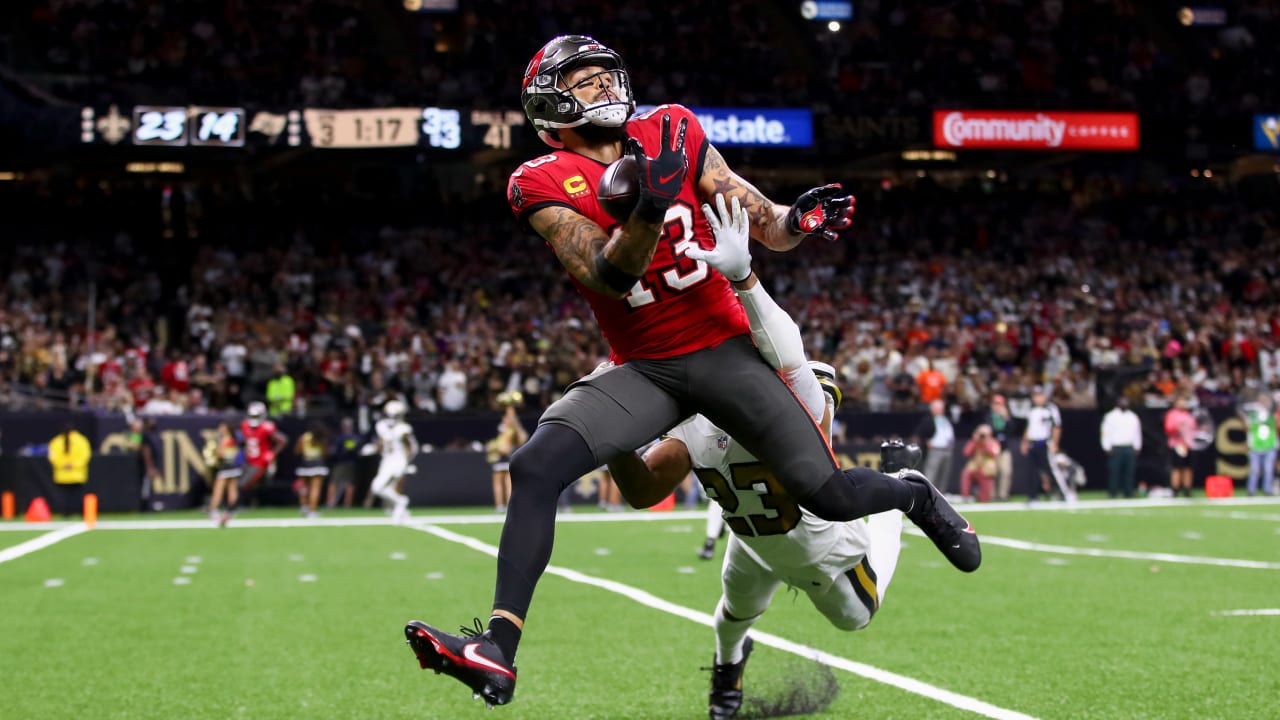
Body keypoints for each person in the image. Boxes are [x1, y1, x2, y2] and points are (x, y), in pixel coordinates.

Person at [404, 42, 977, 704]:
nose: (600, 89)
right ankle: (498, 648)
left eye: (603, 77)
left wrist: (799, 219)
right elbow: (608, 275)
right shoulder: (538, 179)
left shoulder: (671, 126)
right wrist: (650, 201)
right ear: (549, 105)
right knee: (535, 464)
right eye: (582, 83)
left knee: (829, 496)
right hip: (645, 366)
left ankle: (913, 496)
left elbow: (760, 221)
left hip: (724, 352)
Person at [595, 203, 916, 720]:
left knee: (857, 618)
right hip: (750, 537)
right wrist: (611, 437)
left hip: (818, 538)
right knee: (731, 617)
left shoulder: (793, 390)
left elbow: (803, 379)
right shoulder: (693, 414)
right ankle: (727, 676)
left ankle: (898, 494)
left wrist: (744, 277)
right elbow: (644, 489)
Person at [234, 401, 288, 517]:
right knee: (243, 484)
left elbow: (283, 440)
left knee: (244, 484)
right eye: (252, 416)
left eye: (256, 416)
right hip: (248, 460)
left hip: (260, 462)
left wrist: (272, 453)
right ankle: (244, 505)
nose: (253, 418)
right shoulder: (245, 425)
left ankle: (241, 506)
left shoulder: (266, 427)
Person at [370, 399, 419, 525]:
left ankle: (400, 510)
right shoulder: (381, 426)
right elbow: (381, 443)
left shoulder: (403, 428)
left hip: (399, 459)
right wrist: (374, 448)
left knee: (393, 486)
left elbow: (411, 447)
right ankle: (400, 503)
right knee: (377, 487)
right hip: (387, 459)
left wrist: (407, 461)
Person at [486, 391, 529, 513]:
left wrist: (511, 411)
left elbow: (522, 438)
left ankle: (506, 505)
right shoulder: (504, 429)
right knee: (500, 481)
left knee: (507, 482)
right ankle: (500, 505)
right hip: (500, 455)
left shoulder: (513, 431)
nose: (506, 419)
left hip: (507, 455)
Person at [1021, 386, 1062, 503]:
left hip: (1044, 443)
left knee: (1050, 469)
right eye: (1035, 396)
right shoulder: (1031, 410)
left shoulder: (1051, 409)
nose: (1037, 398)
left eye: (1039, 395)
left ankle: (1059, 492)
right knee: (1031, 471)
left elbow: (1057, 427)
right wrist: (1024, 442)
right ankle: (1033, 496)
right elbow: (1029, 427)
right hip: (1032, 443)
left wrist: (1055, 443)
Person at [1100, 397, 1143, 498]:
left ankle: (1128, 492)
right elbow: (1105, 432)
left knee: (1129, 471)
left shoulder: (1133, 416)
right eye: (1122, 402)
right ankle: (1112, 492)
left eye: (1126, 402)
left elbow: (1137, 433)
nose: (1124, 404)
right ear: (1117, 403)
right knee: (1114, 471)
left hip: (1129, 446)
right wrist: (1106, 446)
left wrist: (1137, 446)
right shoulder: (1110, 416)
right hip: (1116, 447)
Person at [47, 424, 92, 518]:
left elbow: (52, 457)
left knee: (64, 495)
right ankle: (81, 513)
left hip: (62, 473)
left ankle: (65, 513)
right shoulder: (81, 440)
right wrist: (74, 465)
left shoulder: (56, 441)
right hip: (77, 473)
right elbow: (85, 455)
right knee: (78, 495)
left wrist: (63, 465)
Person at [914, 399, 955, 494]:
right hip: (935, 450)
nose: (940, 410)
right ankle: (928, 494)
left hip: (947, 450)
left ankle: (941, 494)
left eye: (941, 408)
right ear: (932, 409)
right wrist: (927, 442)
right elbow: (921, 433)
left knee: (944, 474)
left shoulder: (946, 419)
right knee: (931, 473)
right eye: (937, 408)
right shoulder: (928, 420)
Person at [205, 420, 241, 526]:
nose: (220, 429)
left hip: (225, 467)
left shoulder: (225, 439)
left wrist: (213, 453)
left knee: (218, 489)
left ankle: (213, 509)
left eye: (222, 427)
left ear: (226, 428)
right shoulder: (233, 438)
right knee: (232, 488)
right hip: (233, 466)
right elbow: (235, 452)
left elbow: (221, 453)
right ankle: (232, 509)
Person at [293, 424, 331, 518]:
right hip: (317, 463)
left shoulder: (304, 437)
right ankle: (312, 511)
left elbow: (297, 451)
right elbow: (326, 452)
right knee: (315, 488)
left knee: (304, 487)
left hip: (306, 462)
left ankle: (304, 507)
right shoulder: (320, 438)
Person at [1242, 395, 1277, 497]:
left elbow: (1277, 426)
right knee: (1255, 470)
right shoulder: (1253, 415)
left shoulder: (1271, 415)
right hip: (1256, 446)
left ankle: (1268, 490)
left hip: (1269, 445)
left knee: (1268, 469)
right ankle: (1251, 490)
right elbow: (1247, 428)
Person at [1163, 394, 1196, 498]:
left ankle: (1187, 489)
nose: (1183, 403)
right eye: (1180, 401)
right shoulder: (1172, 414)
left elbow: (1193, 429)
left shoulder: (1189, 415)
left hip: (1188, 445)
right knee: (1176, 468)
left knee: (1188, 468)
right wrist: (1177, 428)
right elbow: (1168, 429)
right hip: (1177, 445)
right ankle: (1175, 489)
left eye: (1184, 401)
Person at [327, 417, 361, 509]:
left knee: (334, 482)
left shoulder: (340, 438)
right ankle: (347, 504)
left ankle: (330, 503)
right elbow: (357, 450)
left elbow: (333, 451)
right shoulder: (355, 438)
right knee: (349, 483)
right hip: (351, 463)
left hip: (341, 463)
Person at [960, 424, 999, 503]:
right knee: (966, 474)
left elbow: (994, 454)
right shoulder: (974, 442)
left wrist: (985, 443)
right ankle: (965, 497)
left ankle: (981, 497)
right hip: (974, 467)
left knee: (985, 498)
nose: (982, 436)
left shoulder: (993, 442)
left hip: (986, 469)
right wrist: (974, 442)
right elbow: (966, 453)